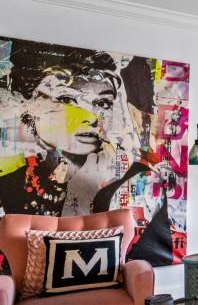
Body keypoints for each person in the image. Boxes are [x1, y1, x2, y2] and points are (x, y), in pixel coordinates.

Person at [0, 45, 136, 216]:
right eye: (67, 100)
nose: (92, 117)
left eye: (102, 103)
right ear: (31, 107)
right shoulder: (7, 186)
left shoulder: (121, 186)